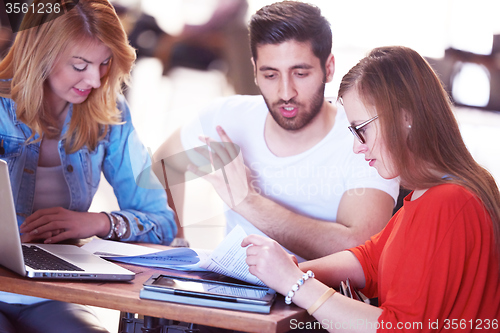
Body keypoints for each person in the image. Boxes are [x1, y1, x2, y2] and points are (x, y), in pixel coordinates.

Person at [242, 46, 500, 332]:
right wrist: (286, 271)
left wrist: (294, 283)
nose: (357, 146)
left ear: (405, 117)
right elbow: (371, 260)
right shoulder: (435, 192)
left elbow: (396, 328)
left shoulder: (447, 202)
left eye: (361, 128)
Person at [153, 1, 400, 261]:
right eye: (270, 75)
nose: (285, 93)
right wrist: (174, 242)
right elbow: (162, 167)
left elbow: (360, 250)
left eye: (300, 73)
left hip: (318, 297)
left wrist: (248, 201)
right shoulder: (227, 119)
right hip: (231, 293)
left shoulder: (363, 139)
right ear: (255, 71)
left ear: (328, 68)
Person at [0, 0, 177, 332]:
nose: (95, 80)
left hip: (52, 294)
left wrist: (96, 222)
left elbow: (162, 224)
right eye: (80, 65)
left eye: (105, 63)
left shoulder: (110, 114)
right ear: (40, 55)